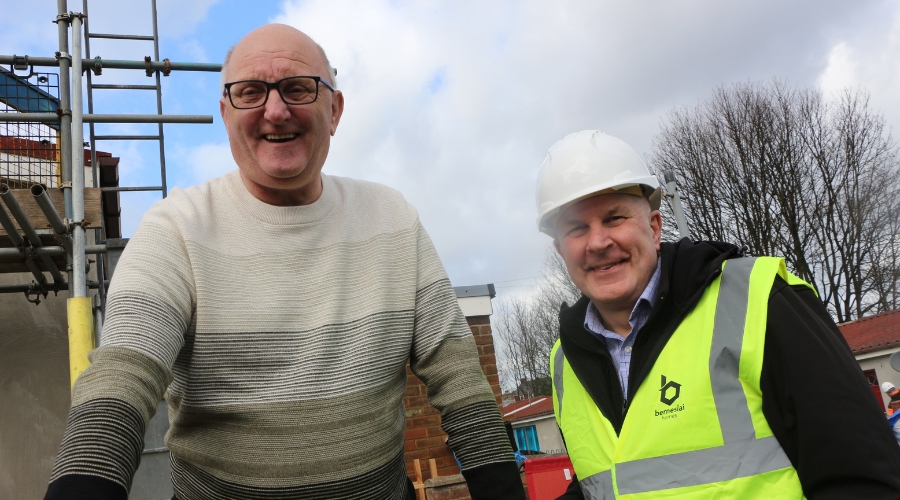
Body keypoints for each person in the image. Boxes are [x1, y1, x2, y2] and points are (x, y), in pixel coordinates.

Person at [45, 24, 524, 500]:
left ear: (334, 110)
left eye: (298, 88)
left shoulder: (393, 219)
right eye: (250, 92)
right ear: (226, 114)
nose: (275, 111)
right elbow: (123, 376)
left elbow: (459, 378)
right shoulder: (176, 229)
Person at [537, 130, 900, 499]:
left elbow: (862, 475)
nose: (598, 243)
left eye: (614, 218)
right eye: (577, 229)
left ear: (655, 227)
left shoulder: (758, 301)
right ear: (561, 250)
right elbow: (607, 480)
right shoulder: (565, 360)